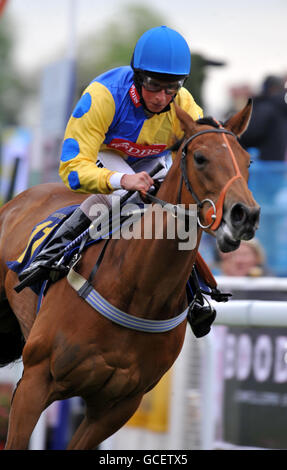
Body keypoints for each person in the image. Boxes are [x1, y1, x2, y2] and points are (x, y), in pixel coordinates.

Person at [19, 26, 220, 336]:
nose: (162, 97)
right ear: (138, 76)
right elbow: (71, 169)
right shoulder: (103, 95)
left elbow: (199, 154)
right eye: (154, 86)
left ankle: (194, 294)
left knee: (179, 210)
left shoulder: (185, 105)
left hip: (152, 161)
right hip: (106, 156)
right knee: (114, 201)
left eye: (171, 88)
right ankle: (49, 258)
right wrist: (122, 179)